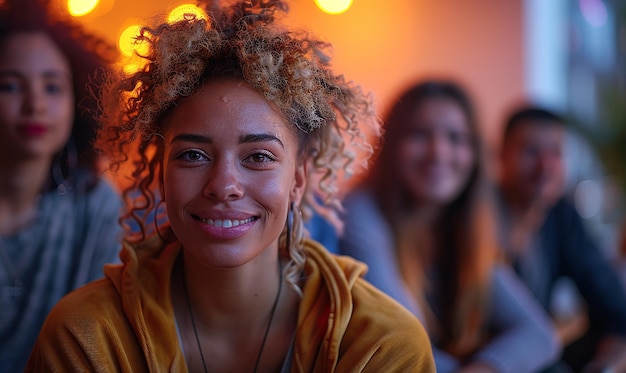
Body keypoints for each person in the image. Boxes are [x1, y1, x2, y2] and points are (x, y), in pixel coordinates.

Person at [26, 1, 436, 371]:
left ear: (298, 179)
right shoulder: (87, 337)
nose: (224, 186)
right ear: (162, 174)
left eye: (258, 157)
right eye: (192, 155)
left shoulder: (378, 346)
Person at [339, 80, 561, 372]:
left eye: (456, 138)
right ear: (391, 143)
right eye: (420, 135)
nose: (439, 152)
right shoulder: (360, 212)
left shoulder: (461, 226)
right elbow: (403, 346)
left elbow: (541, 336)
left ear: (474, 154)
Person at [0, 0, 122, 370]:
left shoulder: (94, 204)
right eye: (9, 85)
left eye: (52, 88)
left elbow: (95, 342)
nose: (35, 104)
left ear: (78, 101)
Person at [497, 106, 626, 373]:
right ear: (501, 155)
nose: (545, 165)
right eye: (531, 152)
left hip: (538, 353)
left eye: (555, 153)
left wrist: (604, 366)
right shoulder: (477, 215)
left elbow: (612, 304)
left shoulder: (561, 216)